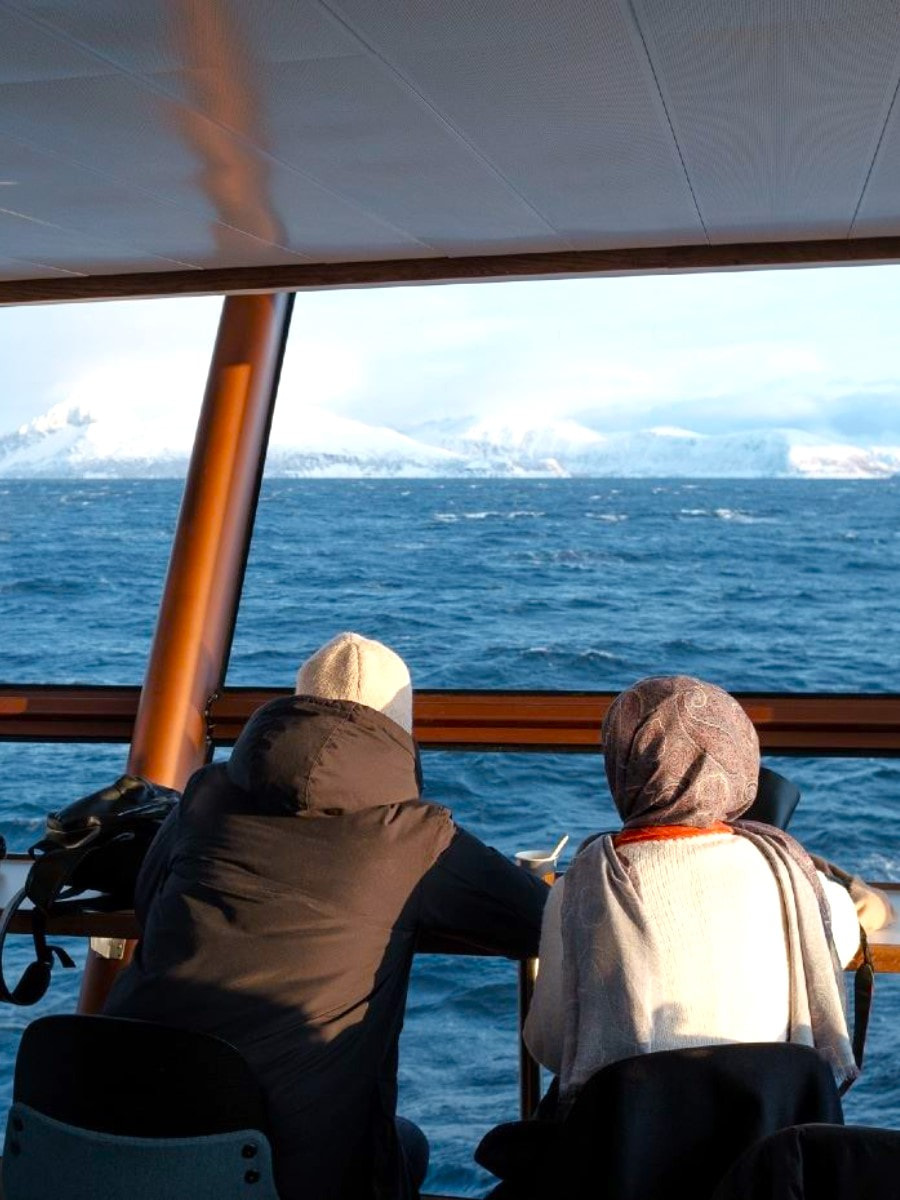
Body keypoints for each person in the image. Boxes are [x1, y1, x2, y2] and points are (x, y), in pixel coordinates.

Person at [104, 632, 549, 1200]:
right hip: (278, 1162)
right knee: (405, 1147)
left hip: (109, 1120)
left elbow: (149, 896)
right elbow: (536, 918)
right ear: (399, 730)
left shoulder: (207, 793)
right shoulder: (413, 839)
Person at [523, 674, 864, 1112]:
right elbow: (851, 927)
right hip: (770, 1165)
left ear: (622, 765)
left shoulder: (579, 890)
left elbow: (551, 1045)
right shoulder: (793, 878)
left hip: (632, 1168)